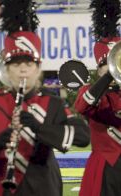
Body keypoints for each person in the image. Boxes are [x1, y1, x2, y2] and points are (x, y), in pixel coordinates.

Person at [0, 1, 90, 195]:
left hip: (46, 187)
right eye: (16, 63)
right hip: (4, 188)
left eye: (29, 63)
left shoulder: (52, 102)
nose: (22, 69)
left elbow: (83, 136)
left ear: (37, 68)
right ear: (7, 69)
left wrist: (39, 128)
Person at [75, 1, 121, 195]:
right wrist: (110, 74)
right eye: (109, 64)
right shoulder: (92, 91)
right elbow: (82, 106)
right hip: (105, 165)